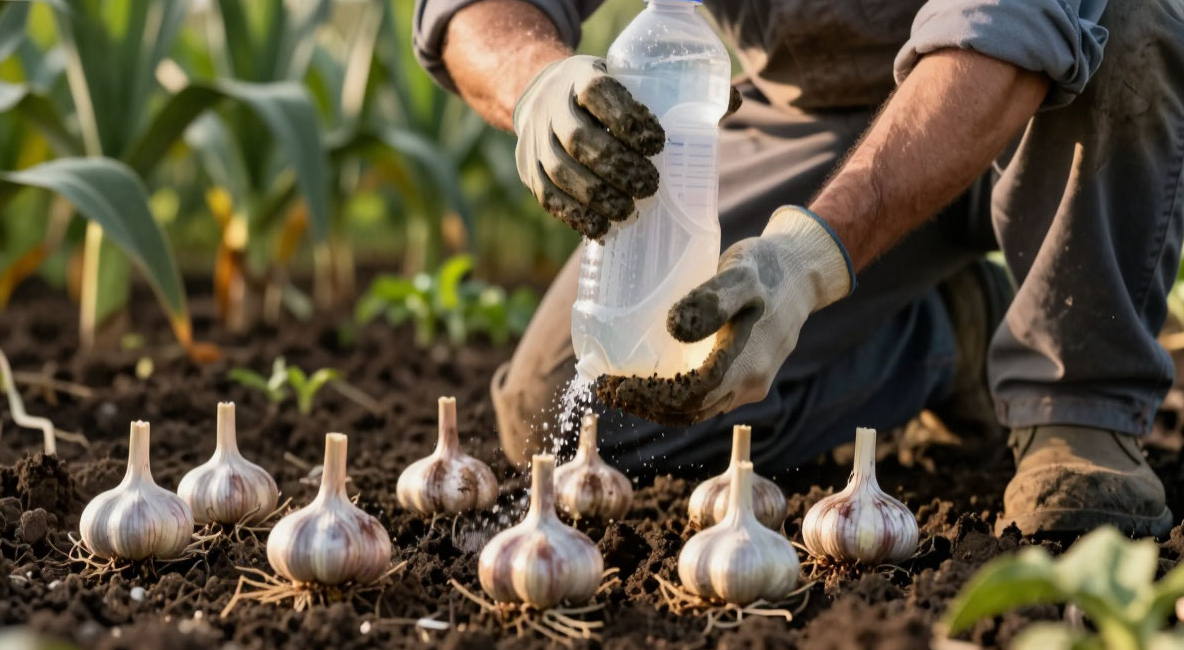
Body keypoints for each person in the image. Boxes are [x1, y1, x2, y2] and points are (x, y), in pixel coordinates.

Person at [414, 0, 1184, 536]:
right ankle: (948, 330)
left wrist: (806, 263)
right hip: (812, 126)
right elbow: (477, 7)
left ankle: (1079, 402)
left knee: (1130, 25)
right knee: (583, 403)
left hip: (1049, 87)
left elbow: (1013, 23)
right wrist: (538, 83)